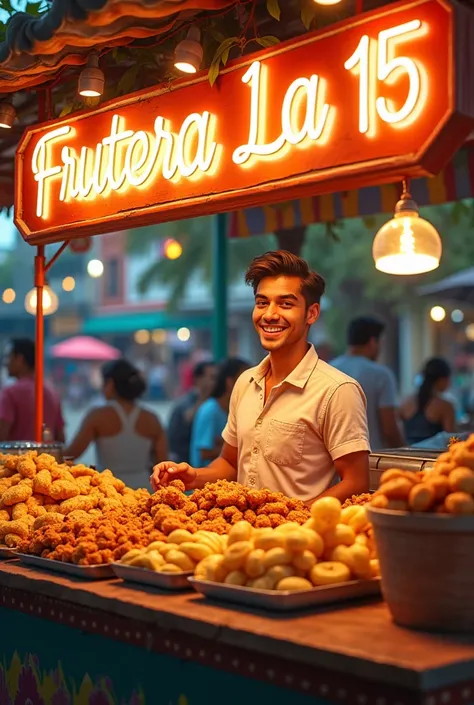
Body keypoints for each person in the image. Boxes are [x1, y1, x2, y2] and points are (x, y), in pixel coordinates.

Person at [152, 251, 370, 505]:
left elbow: (356, 483)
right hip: (240, 536)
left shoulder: (337, 390)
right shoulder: (245, 382)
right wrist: (193, 475)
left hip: (299, 541)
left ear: (311, 313)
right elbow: (230, 463)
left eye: (285, 304)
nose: (269, 314)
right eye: (262, 302)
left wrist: (293, 521)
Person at [64, 359, 167, 488]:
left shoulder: (97, 416)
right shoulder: (152, 419)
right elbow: (163, 462)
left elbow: (71, 454)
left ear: (110, 384)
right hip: (144, 489)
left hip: (109, 489)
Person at [331, 317, 405, 450]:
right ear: (372, 342)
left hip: (333, 461)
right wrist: (405, 453)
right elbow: (389, 429)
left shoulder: (329, 370)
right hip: (372, 461)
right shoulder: (381, 375)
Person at [0, 338, 64, 442]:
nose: (5, 363)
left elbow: (1, 436)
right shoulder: (51, 392)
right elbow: (60, 438)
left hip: (16, 458)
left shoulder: (10, 393)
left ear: (19, 359)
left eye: (8, 357)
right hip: (46, 457)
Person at [190, 358, 250, 468]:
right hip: (207, 480)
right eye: (246, 380)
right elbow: (204, 453)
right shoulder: (210, 410)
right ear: (230, 382)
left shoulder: (235, 410)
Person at [167, 361, 216, 464]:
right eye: (212, 377)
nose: (215, 382)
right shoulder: (183, 406)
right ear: (198, 379)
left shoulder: (217, 404)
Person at [400, 357, 455, 445]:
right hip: (433, 457)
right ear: (441, 379)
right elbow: (451, 440)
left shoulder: (405, 403)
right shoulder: (445, 406)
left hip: (408, 455)